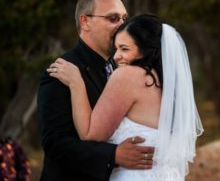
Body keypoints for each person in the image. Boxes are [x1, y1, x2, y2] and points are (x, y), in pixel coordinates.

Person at [47, 13, 204, 181]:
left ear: (145, 49)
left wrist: (76, 83)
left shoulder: (127, 76)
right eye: (116, 48)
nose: (115, 56)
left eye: (124, 49)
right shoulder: (167, 84)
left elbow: (90, 135)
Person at [37, 0, 154, 181]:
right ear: (85, 22)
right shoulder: (61, 72)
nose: (122, 26)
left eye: (125, 18)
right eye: (113, 18)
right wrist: (113, 155)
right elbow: (56, 144)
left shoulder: (124, 67)